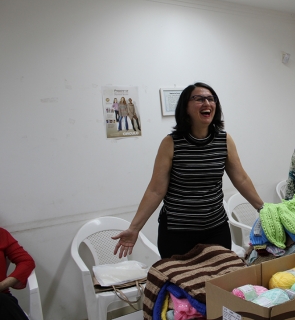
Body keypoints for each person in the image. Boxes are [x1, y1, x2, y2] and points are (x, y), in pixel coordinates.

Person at [113, 82, 264, 259]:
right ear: (185, 107)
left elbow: (241, 179)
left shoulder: (224, 140)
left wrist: (263, 209)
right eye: (199, 99)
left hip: (215, 229)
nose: (207, 103)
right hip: (178, 233)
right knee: (181, 283)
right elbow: (156, 190)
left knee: (217, 281)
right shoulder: (171, 143)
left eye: (210, 98)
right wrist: (134, 228)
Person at [0, 227, 35, 320]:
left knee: (1, 300)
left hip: (1, 299)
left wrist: (2, 285)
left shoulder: (0, 234)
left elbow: (27, 262)